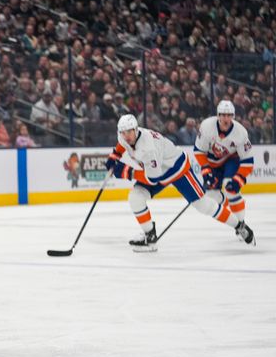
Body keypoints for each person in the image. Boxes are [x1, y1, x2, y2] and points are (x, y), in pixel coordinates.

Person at [105, 114, 254, 252]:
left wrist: (125, 171)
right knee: (135, 198)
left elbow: (153, 179)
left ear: (136, 130)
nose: (126, 136)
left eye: (129, 132)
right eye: (123, 132)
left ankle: (239, 225)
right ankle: (150, 236)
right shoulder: (124, 136)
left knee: (203, 205)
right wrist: (114, 156)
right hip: (156, 170)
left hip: (176, 168)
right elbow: (121, 145)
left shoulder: (148, 147)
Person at [194, 100, 254, 225]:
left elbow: (248, 160)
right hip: (211, 163)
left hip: (230, 160)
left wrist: (239, 179)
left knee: (230, 188)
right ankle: (231, 202)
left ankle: (241, 223)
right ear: (218, 115)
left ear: (233, 116)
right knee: (211, 196)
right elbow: (199, 151)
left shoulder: (241, 133)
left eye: (229, 115)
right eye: (223, 115)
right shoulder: (206, 126)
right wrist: (206, 171)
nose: (226, 118)